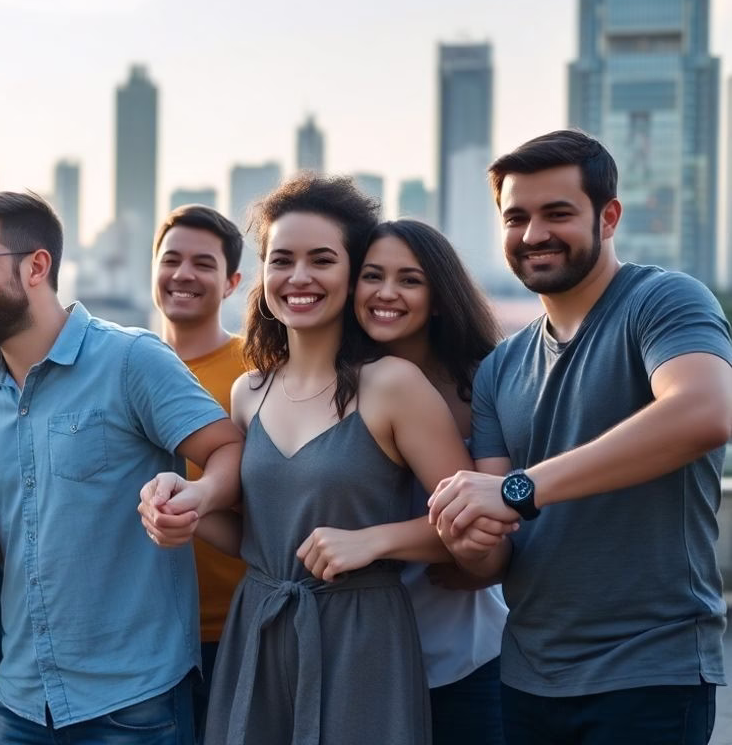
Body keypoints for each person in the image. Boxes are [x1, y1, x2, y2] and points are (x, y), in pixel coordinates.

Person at [430, 129, 732, 745]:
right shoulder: (499, 369)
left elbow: (706, 410)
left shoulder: (662, 300)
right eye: (516, 217)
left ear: (609, 216)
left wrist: (517, 489)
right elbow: (495, 555)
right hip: (525, 675)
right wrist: (464, 532)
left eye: (558, 213)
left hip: (650, 671)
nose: (534, 233)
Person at [0, 191, 242, 744]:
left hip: (134, 702)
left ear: (37, 266)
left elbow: (228, 448)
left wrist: (196, 497)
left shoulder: (132, 359)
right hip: (20, 704)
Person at [175, 175, 486, 744]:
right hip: (260, 630)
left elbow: (472, 522)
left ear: (352, 274)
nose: (298, 278)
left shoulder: (393, 384)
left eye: (322, 260)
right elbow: (258, 534)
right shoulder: (249, 392)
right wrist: (184, 509)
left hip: (363, 633)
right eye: (281, 259)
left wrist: (370, 542)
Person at [354, 218, 507, 744]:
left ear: (439, 297)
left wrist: (480, 563)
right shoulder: (328, 385)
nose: (386, 293)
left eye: (410, 279)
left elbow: (516, 505)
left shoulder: (486, 385)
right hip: (357, 654)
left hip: (465, 653)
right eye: (371, 276)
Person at [150, 204, 249, 732]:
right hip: (144, 633)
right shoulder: (122, 363)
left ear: (232, 282)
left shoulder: (257, 371)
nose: (183, 274)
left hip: (233, 628)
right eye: (171, 259)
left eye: (203, 264)